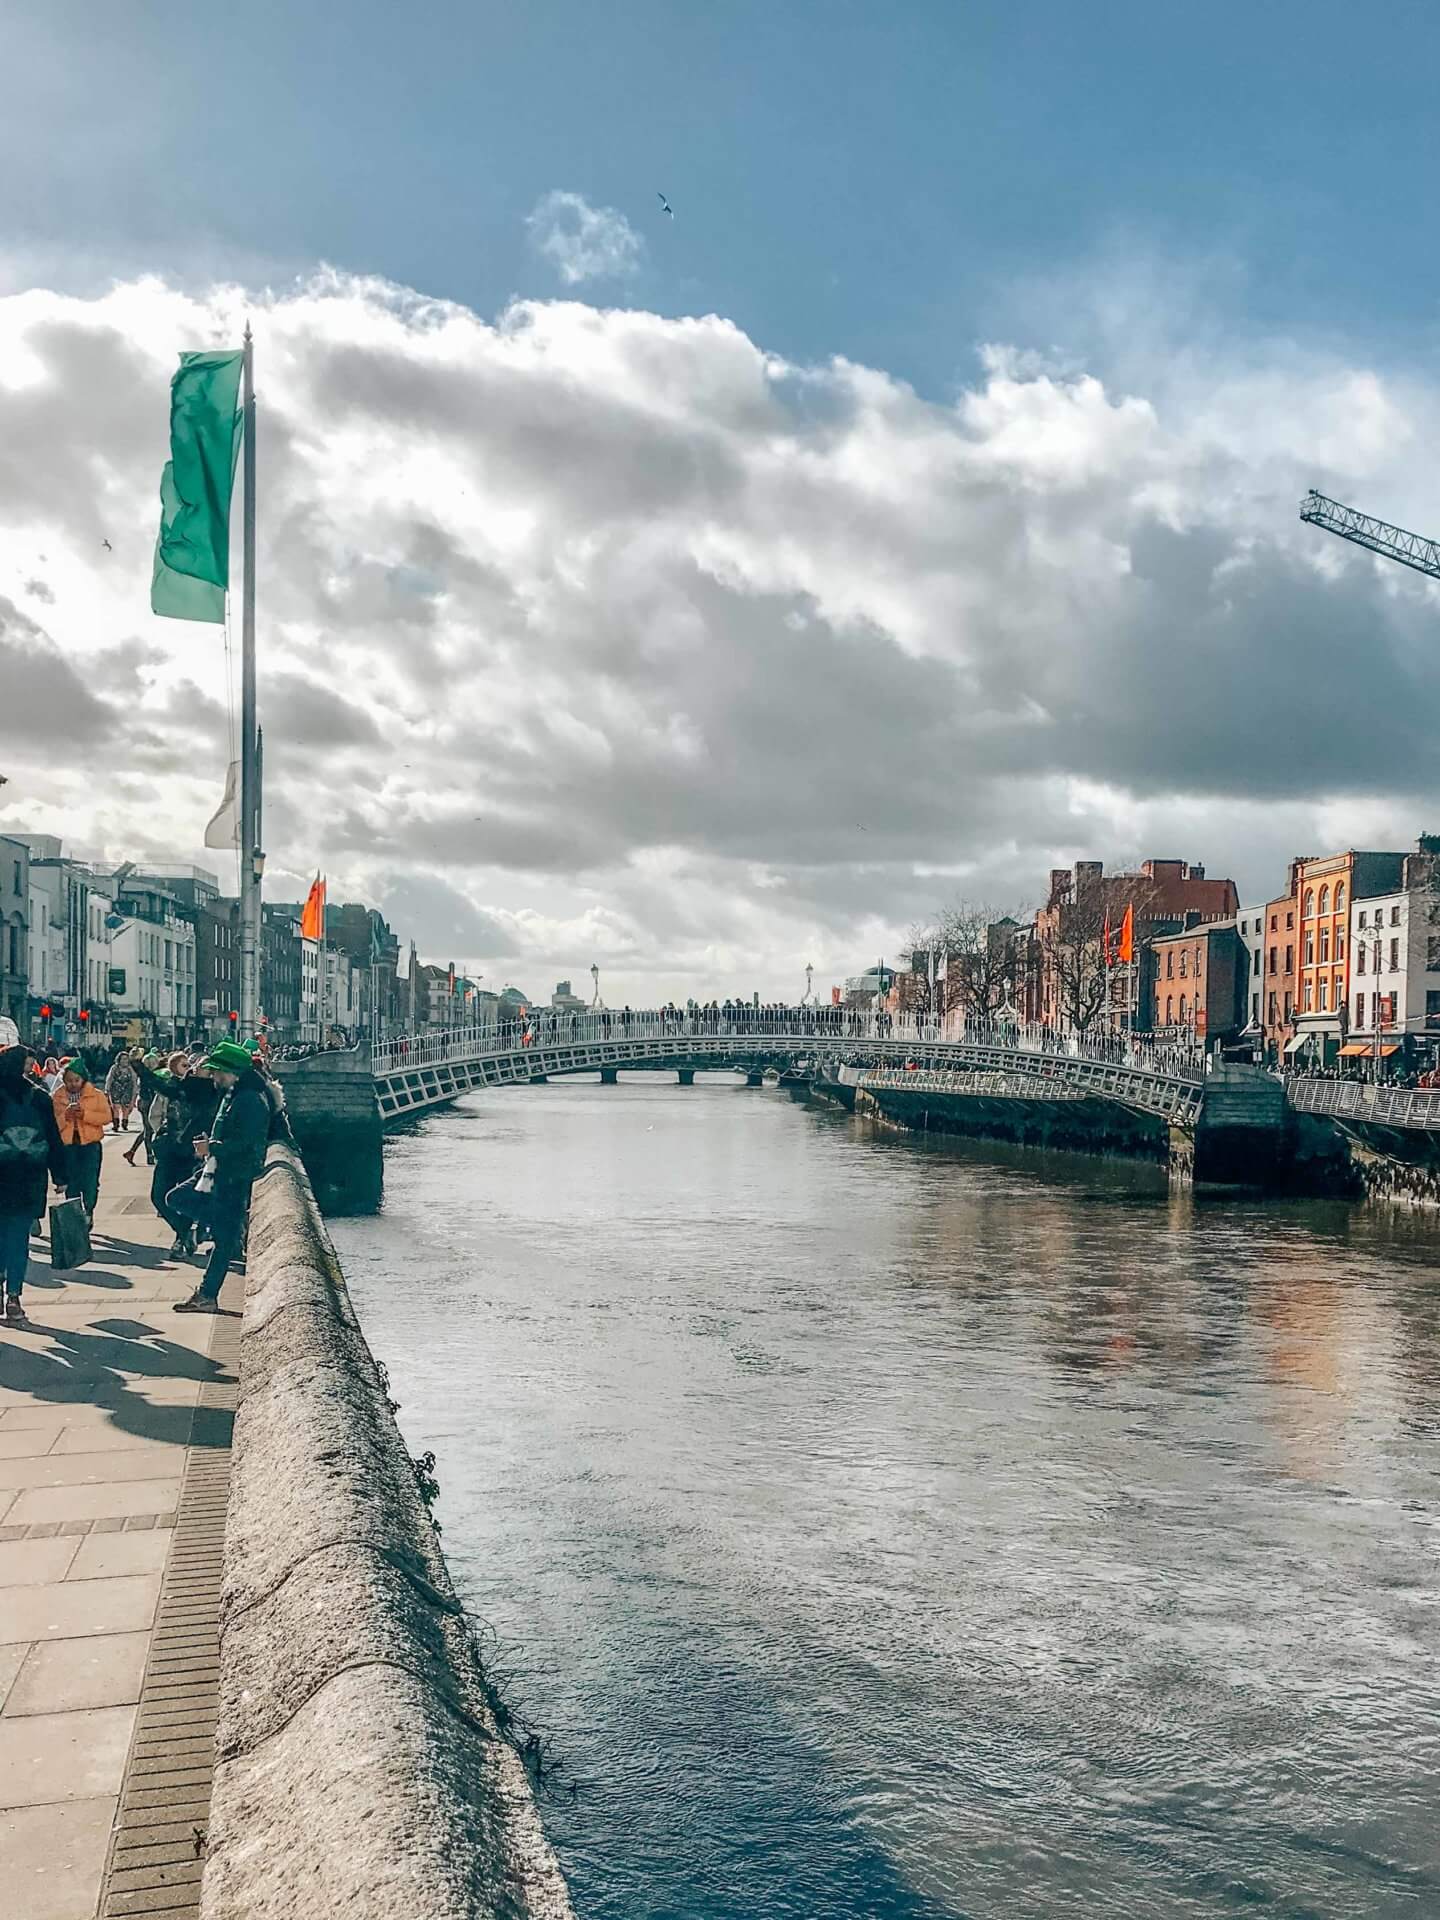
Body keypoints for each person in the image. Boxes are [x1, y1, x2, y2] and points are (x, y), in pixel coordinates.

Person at [174, 1040, 270, 1313]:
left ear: (233, 1073)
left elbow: (247, 1144)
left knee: (219, 1235)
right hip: (219, 1170)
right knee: (179, 1201)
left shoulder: (249, 1099)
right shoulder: (237, 1094)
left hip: (232, 1175)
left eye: (218, 1073)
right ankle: (208, 1290)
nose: (214, 1077)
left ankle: (207, 1294)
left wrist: (211, 1147)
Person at [0, 1019, 67, 1323]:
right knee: (17, 1238)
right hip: (29, 1177)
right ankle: (14, 1297)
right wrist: (61, 1177)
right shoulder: (39, 1096)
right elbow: (53, 1138)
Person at [52, 1058, 110, 1225]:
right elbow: (54, 1124)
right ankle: (74, 1213)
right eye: (69, 1081)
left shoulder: (96, 1095)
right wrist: (66, 1116)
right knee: (72, 1181)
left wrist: (85, 1114)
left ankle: (89, 1210)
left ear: (83, 1079)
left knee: (90, 1180)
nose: (73, 1084)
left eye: (76, 1080)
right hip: (69, 1146)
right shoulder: (58, 1096)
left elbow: (106, 1117)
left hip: (90, 1145)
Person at [105, 1051, 139, 1133]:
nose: (125, 1061)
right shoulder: (114, 1068)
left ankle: (125, 1123)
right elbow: (109, 1078)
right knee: (115, 1107)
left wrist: (135, 1091)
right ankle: (116, 1124)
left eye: (126, 1059)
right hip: (116, 1089)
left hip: (127, 1090)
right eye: (123, 1059)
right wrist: (107, 1089)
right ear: (119, 1060)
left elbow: (134, 1080)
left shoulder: (130, 1069)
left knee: (126, 1108)